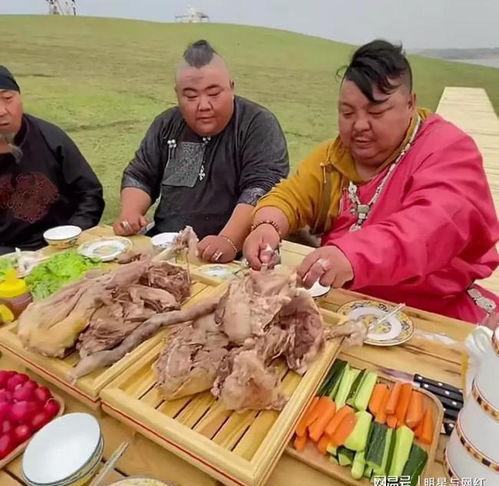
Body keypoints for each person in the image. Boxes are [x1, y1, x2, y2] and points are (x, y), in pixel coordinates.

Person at [243, 40, 499, 323]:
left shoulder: (448, 150)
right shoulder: (334, 157)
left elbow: (429, 227)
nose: (360, 125)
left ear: (411, 103)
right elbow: (291, 195)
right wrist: (267, 224)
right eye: (347, 113)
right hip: (345, 307)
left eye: (376, 112)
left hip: (435, 312)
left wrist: (351, 256)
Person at [114, 40, 289, 263]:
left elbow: (262, 188)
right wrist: (130, 213)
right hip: (168, 248)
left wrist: (228, 240)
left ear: (231, 88)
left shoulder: (257, 124)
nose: (203, 105)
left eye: (214, 93)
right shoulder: (167, 125)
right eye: (191, 96)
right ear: (177, 94)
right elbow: (140, 175)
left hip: (237, 257)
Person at [0, 65, 105, 254]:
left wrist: (71, 235)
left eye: (8, 98)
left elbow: (89, 193)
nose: (1, 111)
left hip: (61, 248)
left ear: (20, 98)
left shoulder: (51, 138)